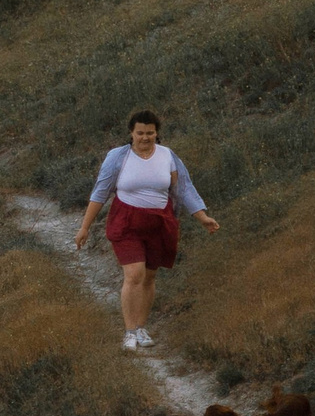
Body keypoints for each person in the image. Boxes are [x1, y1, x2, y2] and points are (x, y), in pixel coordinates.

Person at [72, 110, 217, 351]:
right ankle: (129, 332)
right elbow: (100, 192)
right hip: (126, 222)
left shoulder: (168, 156)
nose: (145, 137)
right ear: (131, 133)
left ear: (157, 133)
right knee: (135, 275)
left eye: (150, 133)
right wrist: (84, 227)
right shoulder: (118, 157)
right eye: (140, 133)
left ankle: (141, 327)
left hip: (159, 224)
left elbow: (183, 189)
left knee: (149, 277)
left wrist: (202, 217)